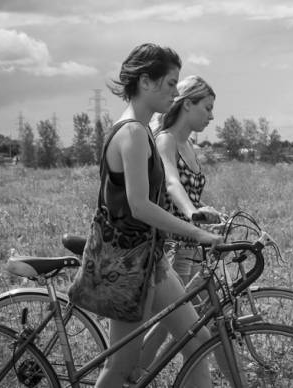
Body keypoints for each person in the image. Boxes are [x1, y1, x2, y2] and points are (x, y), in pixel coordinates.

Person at [95, 43, 221, 387]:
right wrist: (195, 231)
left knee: (197, 339)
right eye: (170, 83)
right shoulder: (133, 133)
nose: (175, 92)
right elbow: (140, 205)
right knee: (120, 367)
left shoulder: (139, 131)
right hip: (127, 263)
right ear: (146, 82)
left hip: (147, 258)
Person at [137, 75, 223, 373]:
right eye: (207, 108)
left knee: (191, 324)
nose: (212, 116)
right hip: (172, 246)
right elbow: (172, 183)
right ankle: (131, 372)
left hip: (192, 245)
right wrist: (191, 213)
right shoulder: (166, 140)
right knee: (181, 325)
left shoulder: (189, 146)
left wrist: (205, 215)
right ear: (188, 104)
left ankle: (133, 374)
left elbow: (190, 195)